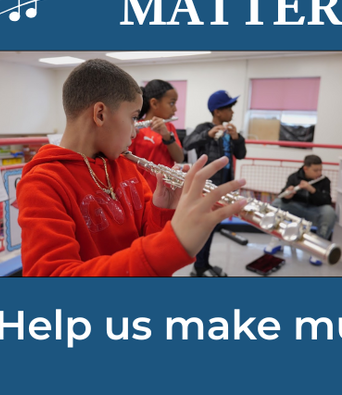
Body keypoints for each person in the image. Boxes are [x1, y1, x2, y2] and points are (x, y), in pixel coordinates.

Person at [16, 59, 247, 276]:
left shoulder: (124, 165)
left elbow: (146, 237)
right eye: (134, 117)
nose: (135, 131)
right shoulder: (42, 183)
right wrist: (175, 244)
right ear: (100, 114)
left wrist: (162, 209)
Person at [183, 90, 249, 277]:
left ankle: (204, 264)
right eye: (229, 108)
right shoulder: (204, 127)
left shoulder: (230, 131)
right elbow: (187, 144)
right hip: (208, 187)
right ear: (218, 112)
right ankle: (199, 267)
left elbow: (241, 154)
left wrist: (237, 139)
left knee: (212, 226)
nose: (233, 113)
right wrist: (207, 134)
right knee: (206, 227)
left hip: (224, 186)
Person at [275, 155, 335, 265]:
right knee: (276, 204)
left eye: (320, 170)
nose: (319, 173)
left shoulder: (325, 181)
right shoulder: (294, 177)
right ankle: (276, 239)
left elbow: (327, 201)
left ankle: (318, 248)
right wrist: (287, 195)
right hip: (296, 209)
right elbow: (282, 196)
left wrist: (311, 189)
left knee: (329, 212)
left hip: (314, 210)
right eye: (315, 170)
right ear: (305, 169)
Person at [128, 79, 184, 192]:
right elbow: (126, 163)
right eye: (171, 103)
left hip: (167, 190)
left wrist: (167, 137)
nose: (175, 109)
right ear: (154, 103)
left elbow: (179, 158)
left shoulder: (169, 127)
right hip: (144, 191)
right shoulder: (135, 129)